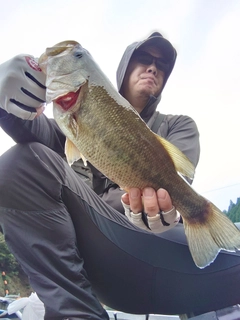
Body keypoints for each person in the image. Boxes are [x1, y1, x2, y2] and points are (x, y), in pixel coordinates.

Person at [0, 32, 239, 320]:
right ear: (124, 67)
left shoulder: (178, 125)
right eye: (144, 59)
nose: (153, 68)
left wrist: (162, 211)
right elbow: (29, 129)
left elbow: (178, 183)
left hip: (147, 249)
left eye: (161, 65)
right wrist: (4, 98)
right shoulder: (68, 120)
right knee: (17, 163)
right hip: (88, 253)